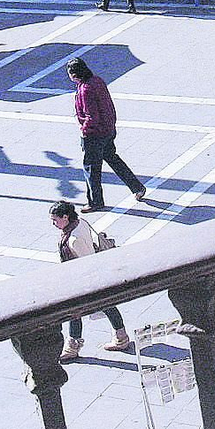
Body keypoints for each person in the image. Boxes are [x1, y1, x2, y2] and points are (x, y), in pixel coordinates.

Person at [52, 200, 134, 360]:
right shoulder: (80, 222)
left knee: (74, 312)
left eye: (55, 220)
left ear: (65, 217)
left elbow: (87, 262)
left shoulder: (73, 240)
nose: (53, 224)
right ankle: (121, 337)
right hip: (93, 277)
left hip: (84, 281)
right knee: (107, 304)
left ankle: (72, 347)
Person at [68, 58, 146, 212]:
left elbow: (91, 116)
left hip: (95, 135)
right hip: (108, 129)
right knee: (113, 158)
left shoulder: (85, 89)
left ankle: (95, 202)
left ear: (74, 74)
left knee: (91, 169)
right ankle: (136, 187)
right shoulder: (97, 80)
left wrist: (85, 130)